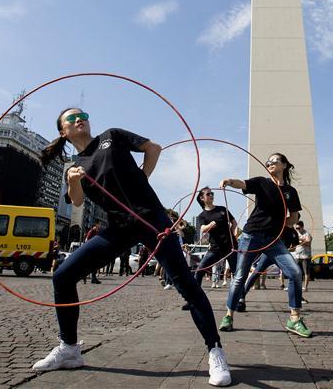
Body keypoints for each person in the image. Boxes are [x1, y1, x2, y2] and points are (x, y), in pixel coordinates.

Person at [32, 108, 230, 386]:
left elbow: (153, 148)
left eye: (83, 115)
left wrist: (142, 177)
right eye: (72, 119)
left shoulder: (110, 136)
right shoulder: (76, 166)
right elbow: (76, 202)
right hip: (118, 228)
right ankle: (69, 349)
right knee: (63, 275)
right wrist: (73, 181)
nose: (80, 119)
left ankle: (215, 350)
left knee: (186, 284)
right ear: (63, 132)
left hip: (151, 218)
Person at [218, 153, 311, 338]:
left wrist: (284, 224)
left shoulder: (290, 192)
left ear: (284, 165)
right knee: (240, 277)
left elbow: (293, 217)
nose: (270, 163)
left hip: (274, 240)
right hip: (251, 236)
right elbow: (242, 183)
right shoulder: (261, 182)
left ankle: (294, 318)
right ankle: (229, 315)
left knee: (294, 272)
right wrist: (229, 180)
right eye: (268, 161)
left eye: (274, 161)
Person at [185, 187, 238, 308]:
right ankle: (194, 300)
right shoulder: (202, 215)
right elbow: (202, 229)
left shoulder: (222, 209)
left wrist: (233, 233)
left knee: (236, 273)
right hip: (215, 248)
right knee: (199, 270)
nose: (211, 195)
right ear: (202, 198)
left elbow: (234, 222)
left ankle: (240, 299)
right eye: (208, 194)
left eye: (212, 193)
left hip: (230, 246)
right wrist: (209, 225)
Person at [294, 221, 312, 293]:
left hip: (305, 256)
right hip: (298, 256)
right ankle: (299, 286)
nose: (297, 229)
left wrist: (301, 240)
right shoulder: (296, 233)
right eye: (296, 228)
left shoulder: (307, 234)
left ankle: (306, 287)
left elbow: (308, 241)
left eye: (298, 228)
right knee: (298, 272)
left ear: (302, 227)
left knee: (306, 272)